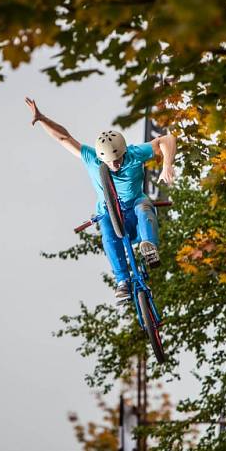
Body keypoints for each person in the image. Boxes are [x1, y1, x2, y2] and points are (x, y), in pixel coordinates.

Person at [24, 97, 176, 299]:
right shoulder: (92, 158)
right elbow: (64, 138)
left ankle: (149, 248)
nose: (115, 165)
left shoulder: (133, 154)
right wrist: (42, 118)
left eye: (119, 159)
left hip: (135, 209)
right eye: (111, 162)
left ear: (123, 152)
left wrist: (167, 165)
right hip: (110, 215)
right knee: (106, 227)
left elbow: (167, 140)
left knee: (144, 207)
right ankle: (122, 281)